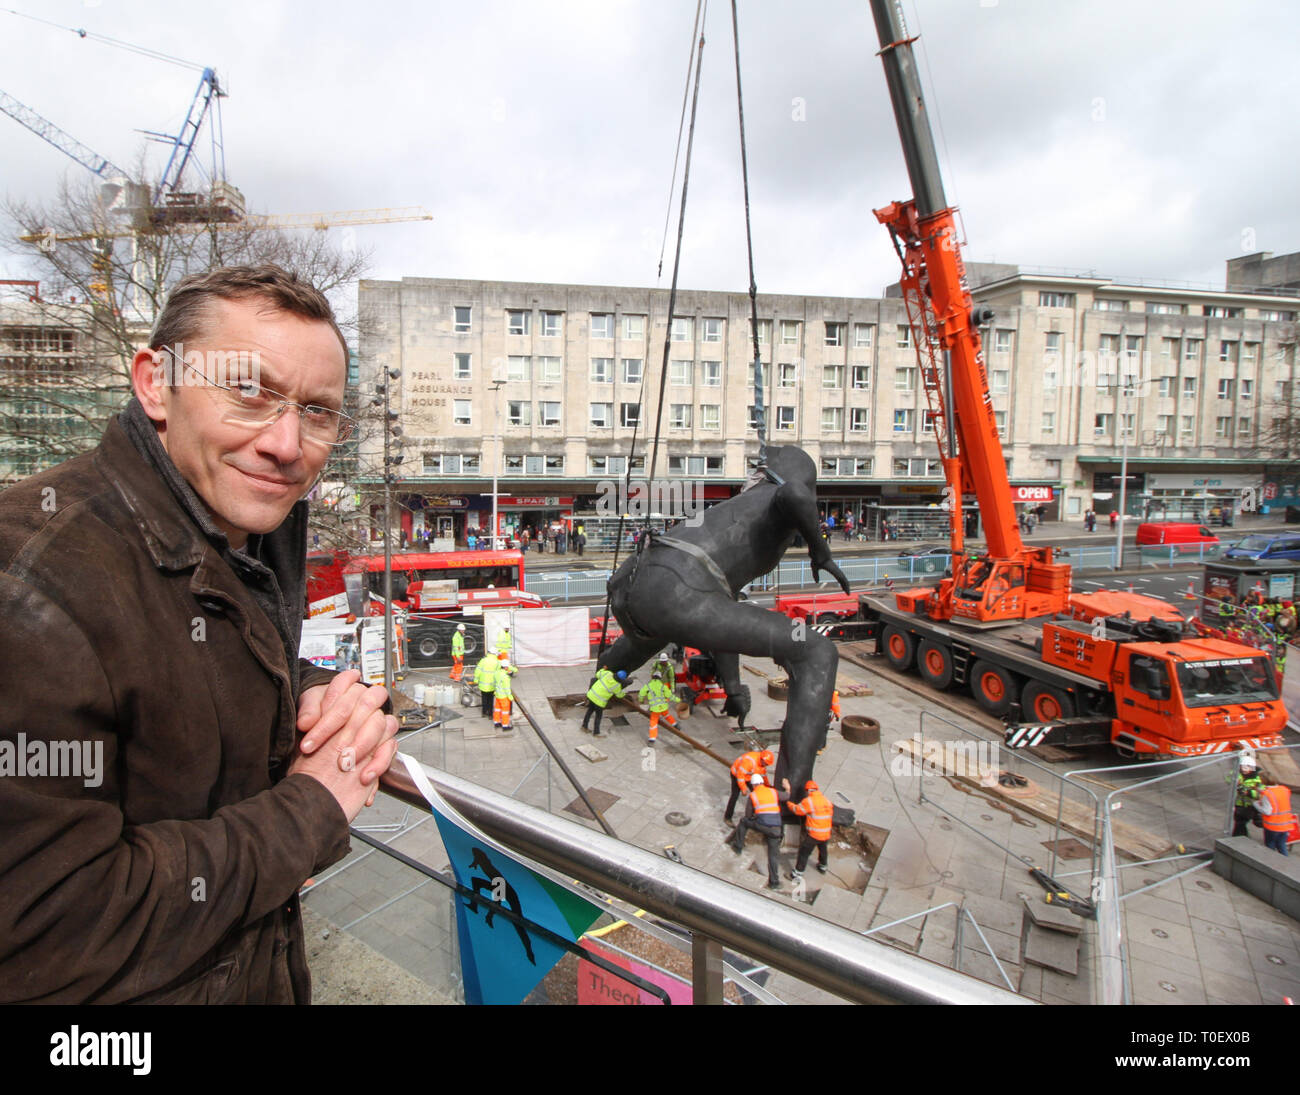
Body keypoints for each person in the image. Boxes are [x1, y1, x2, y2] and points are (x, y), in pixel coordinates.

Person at [0, 264, 400, 1004]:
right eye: (249, 390)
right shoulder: (30, 583)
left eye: (318, 412)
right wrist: (311, 807)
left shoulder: (240, 528)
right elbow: (48, 930)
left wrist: (315, 695)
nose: (288, 443)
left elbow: (194, 667)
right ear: (156, 383)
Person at [728, 773, 786, 890]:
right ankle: (774, 882)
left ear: (753, 785)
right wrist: (788, 787)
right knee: (773, 855)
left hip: (762, 825)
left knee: (744, 822)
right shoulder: (773, 791)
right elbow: (787, 796)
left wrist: (755, 816)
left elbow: (748, 815)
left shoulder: (753, 796)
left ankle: (738, 846)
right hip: (776, 830)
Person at [787, 778, 834, 878]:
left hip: (814, 834)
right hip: (826, 832)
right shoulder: (826, 801)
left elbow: (797, 810)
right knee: (823, 850)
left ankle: (797, 874)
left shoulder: (809, 801)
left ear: (808, 790)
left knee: (804, 852)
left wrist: (789, 803)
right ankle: (823, 866)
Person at [725, 748, 775, 822]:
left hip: (749, 776)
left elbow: (763, 775)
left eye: (767, 764)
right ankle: (727, 817)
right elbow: (740, 776)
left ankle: (756, 814)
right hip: (737, 775)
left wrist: (767, 786)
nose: (766, 765)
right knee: (734, 795)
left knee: (757, 794)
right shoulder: (749, 762)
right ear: (762, 759)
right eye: (766, 764)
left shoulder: (762, 764)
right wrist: (743, 788)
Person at [582, 667, 628, 737]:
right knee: (598, 716)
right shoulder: (616, 685)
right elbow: (619, 695)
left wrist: (603, 669)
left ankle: (584, 726)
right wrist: (624, 694)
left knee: (590, 711)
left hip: (592, 695)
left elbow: (598, 674)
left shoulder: (608, 673)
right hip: (599, 701)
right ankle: (596, 733)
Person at [637, 670, 677, 746]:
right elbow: (669, 695)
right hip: (663, 706)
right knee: (667, 715)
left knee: (653, 722)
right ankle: (675, 725)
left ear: (652, 677)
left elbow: (641, 694)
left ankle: (652, 739)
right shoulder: (663, 686)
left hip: (655, 708)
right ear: (660, 678)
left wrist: (641, 701)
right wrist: (678, 700)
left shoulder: (648, 685)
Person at [1257, 784, 1297, 856]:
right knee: (1281, 845)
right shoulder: (1284, 789)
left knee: (1270, 846)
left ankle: (1269, 863)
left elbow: (1267, 811)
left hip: (1272, 826)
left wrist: (1256, 804)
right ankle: (1286, 863)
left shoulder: (1267, 793)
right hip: (1285, 824)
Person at [1232, 757, 1265, 837]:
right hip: (1240, 804)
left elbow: (1262, 792)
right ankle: (1240, 836)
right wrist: (1237, 784)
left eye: (1247, 767)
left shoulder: (1258, 778)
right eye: (1242, 767)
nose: (1244, 770)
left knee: (1246, 822)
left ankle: (1240, 837)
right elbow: (1229, 779)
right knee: (1240, 822)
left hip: (1252, 805)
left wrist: (1249, 792)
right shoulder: (1237, 773)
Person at [492, 655, 517, 732]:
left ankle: (496, 722)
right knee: (505, 711)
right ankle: (505, 726)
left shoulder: (496, 673)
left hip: (497, 695)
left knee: (497, 709)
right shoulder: (505, 677)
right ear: (506, 667)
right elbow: (507, 689)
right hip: (504, 696)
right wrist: (510, 697)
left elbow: (495, 683)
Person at [474, 650, 499, 718]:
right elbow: (498, 673)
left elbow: (478, 670)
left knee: (484, 699)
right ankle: (490, 714)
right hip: (492, 685)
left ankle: (484, 712)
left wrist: (476, 679)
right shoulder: (497, 662)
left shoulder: (483, 660)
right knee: (491, 700)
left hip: (483, 684)